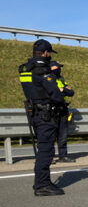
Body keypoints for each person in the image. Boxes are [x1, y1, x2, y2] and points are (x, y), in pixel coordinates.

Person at [19, 40, 68, 195]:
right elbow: (55, 94)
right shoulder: (44, 71)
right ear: (46, 53)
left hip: (35, 113)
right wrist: (61, 101)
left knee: (42, 149)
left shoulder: (25, 69)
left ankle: (40, 181)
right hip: (46, 116)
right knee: (46, 151)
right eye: (49, 53)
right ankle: (42, 185)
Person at [49, 61, 75, 162]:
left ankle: (63, 156)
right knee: (50, 135)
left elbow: (71, 92)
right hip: (51, 110)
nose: (59, 70)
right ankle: (49, 157)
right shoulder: (47, 79)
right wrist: (61, 90)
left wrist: (62, 89)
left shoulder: (61, 79)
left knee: (63, 135)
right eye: (57, 68)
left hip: (62, 109)